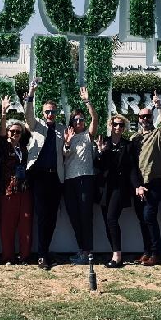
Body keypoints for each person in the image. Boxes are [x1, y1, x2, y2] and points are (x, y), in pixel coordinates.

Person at [23, 78, 66, 270]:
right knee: (41, 216)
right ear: (43, 112)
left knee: (52, 218)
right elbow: (27, 115)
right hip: (39, 177)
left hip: (55, 178)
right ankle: (41, 255)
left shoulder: (62, 129)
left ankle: (45, 251)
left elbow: (65, 151)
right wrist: (31, 94)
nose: (50, 114)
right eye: (47, 111)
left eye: (53, 111)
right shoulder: (36, 125)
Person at [129, 91, 161, 266]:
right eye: (142, 117)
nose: (145, 119)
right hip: (139, 185)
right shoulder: (134, 138)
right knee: (142, 219)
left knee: (149, 216)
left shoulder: (158, 135)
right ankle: (146, 251)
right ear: (138, 119)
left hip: (155, 183)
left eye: (148, 116)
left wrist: (159, 106)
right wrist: (137, 185)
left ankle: (155, 253)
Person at [61, 87, 99, 265]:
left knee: (86, 216)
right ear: (71, 122)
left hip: (85, 179)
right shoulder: (67, 136)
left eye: (81, 119)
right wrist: (67, 142)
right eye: (76, 120)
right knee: (74, 217)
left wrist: (87, 101)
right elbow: (64, 156)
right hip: (69, 181)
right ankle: (82, 250)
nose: (79, 122)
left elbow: (96, 118)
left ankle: (88, 252)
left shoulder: (87, 136)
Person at [95, 114, 134, 268]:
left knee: (111, 219)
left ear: (124, 128)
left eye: (121, 125)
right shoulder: (103, 141)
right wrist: (101, 152)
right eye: (115, 124)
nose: (118, 127)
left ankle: (117, 256)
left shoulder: (128, 145)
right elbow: (98, 166)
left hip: (120, 188)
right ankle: (114, 253)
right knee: (107, 222)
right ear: (110, 125)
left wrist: (136, 186)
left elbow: (132, 169)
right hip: (105, 188)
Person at [0, 95, 32, 265]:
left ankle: (24, 256)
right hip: (8, 190)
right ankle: (8, 257)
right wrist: (3, 113)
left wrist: (28, 101)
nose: (15, 134)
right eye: (12, 132)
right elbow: (1, 132)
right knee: (7, 226)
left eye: (18, 132)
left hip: (24, 190)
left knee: (25, 225)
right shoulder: (4, 147)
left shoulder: (25, 149)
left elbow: (29, 124)